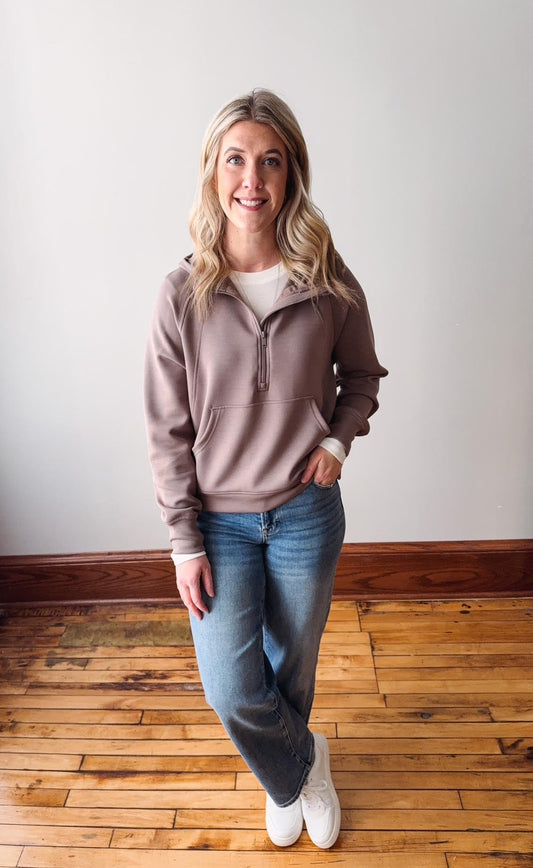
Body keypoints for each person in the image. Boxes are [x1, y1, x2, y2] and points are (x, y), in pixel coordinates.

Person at [144, 88, 387, 850]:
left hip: (304, 514)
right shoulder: (180, 293)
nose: (252, 178)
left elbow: (365, 377)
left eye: (270, 162)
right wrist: (183, 541)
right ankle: (298, 767)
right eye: (236, 159)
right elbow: (165, 429)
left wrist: (338, 441)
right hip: (217, 524)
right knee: (230, 683)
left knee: (294, 663)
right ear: (214, 172)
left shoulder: (324, 275)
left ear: (290, 177)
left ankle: (291, 770)